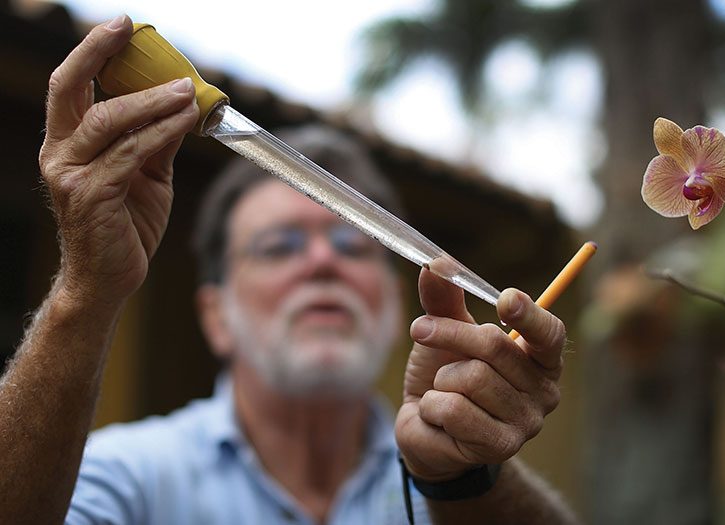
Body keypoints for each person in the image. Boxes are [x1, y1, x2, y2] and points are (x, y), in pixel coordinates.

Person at [0, 15, 577, 525]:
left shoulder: (458, 476)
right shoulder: (126, 479)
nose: (323, 261)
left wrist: (461, 479)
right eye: (279, 247)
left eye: (353, 247)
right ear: (215, 316)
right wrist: (87, 290)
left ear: (395, 303)